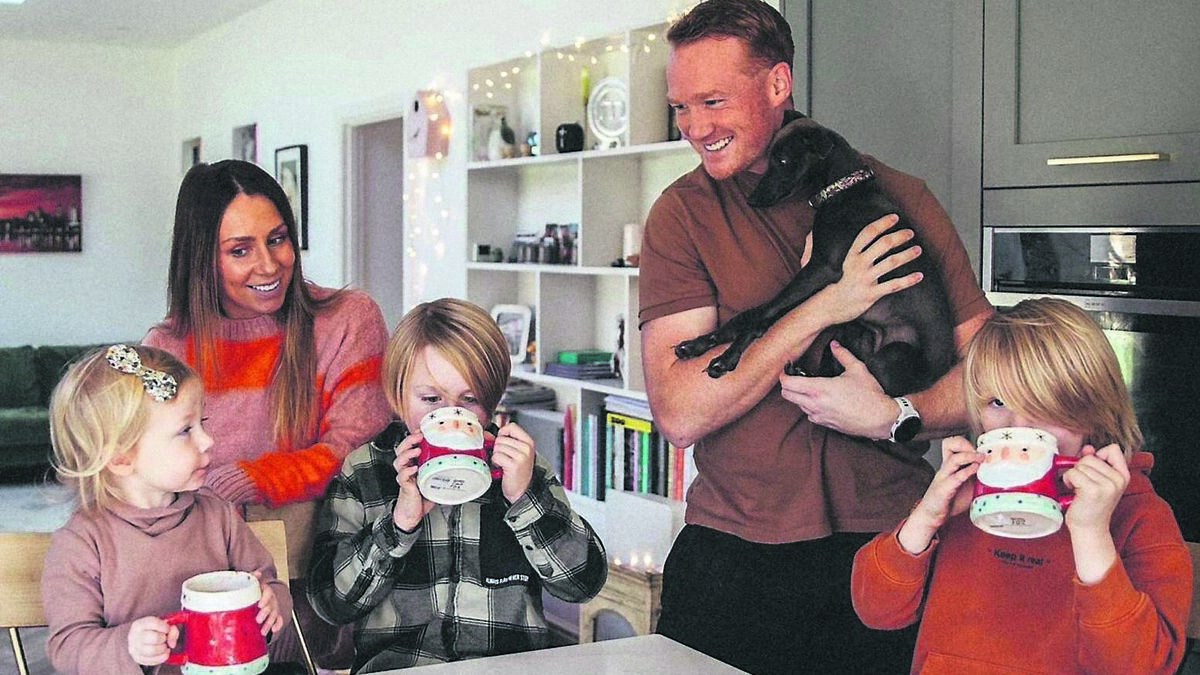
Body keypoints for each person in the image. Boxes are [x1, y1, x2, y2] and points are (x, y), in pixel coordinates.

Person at [637, 0, 994, 672]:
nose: (694, 127)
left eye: (712, 101)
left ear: (778, 84)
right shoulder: (681, 217)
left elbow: (1001, 382)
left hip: (894, 546)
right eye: (680, 107)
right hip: (733, 557)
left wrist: (898, 415)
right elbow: (680, 412)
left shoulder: (902, 196)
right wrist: (829, 302)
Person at [851, 298, 1192, 673]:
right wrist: (927, 516)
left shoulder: (1140, 515)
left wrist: (1091, 532)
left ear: (1097, 411)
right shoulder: (961, 500)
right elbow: (876, 611)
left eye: (1046, 402)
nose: (1020, 427)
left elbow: (1142, 667)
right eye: (998, 401)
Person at [143, 159, 392, 667]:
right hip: (202, 603)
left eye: (277, 239)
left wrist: (251, 481)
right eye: (240, 250)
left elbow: (360, 452)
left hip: (322, 603)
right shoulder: (166, 347)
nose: (269, 265)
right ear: (201, 259)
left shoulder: (348, 319)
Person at [307, 298, 608, 673]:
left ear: (493, 402)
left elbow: (583, 585)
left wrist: (524, 499)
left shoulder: (521, 468)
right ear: (398, 396)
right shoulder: (366, 469)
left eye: (470, 400)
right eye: (431, 399)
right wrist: (399, 524)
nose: (449, 418)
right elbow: (331, 604)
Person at [41, 344, 291, 675]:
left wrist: (272, 604)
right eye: (186, 430)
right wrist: (127, 645)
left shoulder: (218, 516)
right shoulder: (83, 543)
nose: (208, 440)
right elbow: (67, 647)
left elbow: (269, 585)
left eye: (202, 423)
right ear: (121, 458)